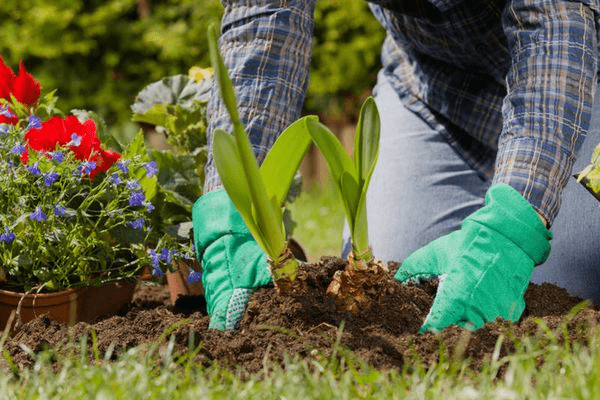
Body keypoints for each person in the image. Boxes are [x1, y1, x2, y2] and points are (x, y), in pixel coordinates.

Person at [192, 0, 600, 332]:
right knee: (389, 296)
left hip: (582, 82)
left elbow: (556, 23)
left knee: (567, 296)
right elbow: (266, 18)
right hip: (436, 88)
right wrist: (235, 209)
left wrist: (512, 226)